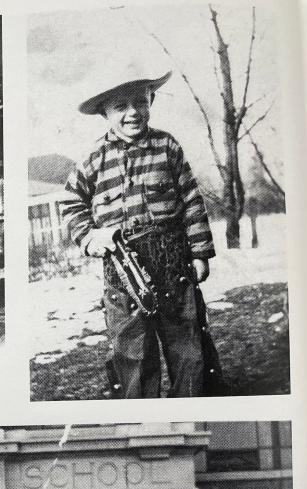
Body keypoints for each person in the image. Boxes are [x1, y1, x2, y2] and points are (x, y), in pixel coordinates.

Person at [60, 62, 215, 399]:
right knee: (131, 351)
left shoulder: (167, 147)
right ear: (104, 111)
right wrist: (90, 237)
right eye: (121, 106)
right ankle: (140, 416)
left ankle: (188, 409)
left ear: (151, 102)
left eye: (140, 102)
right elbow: (71, 205)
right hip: (122, 269)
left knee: (186, 345)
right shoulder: (92, 161)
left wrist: (200, 253)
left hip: (174, 266)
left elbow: (191, 200)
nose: (133, 113)